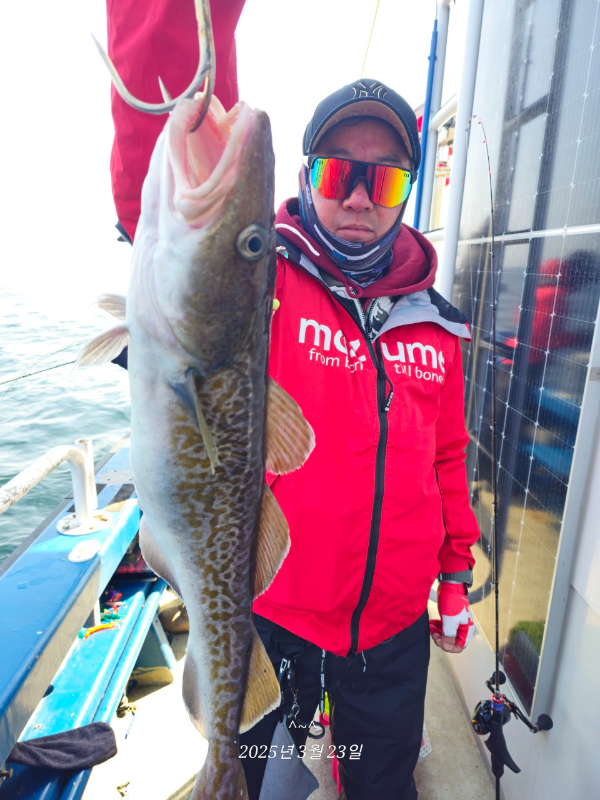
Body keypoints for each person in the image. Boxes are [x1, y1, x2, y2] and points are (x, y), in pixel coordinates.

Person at [238, 79, 480, 800]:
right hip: (276, 613)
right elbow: (184, 307)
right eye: (339, 173)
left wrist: (454, 575)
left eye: (383, 180)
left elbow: (447, 457)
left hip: (392, 629)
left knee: (382, 782)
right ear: (306, 176)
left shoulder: (438, 325)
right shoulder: (259, 281)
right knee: (254, 781)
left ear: (406, 193)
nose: (358, 198)